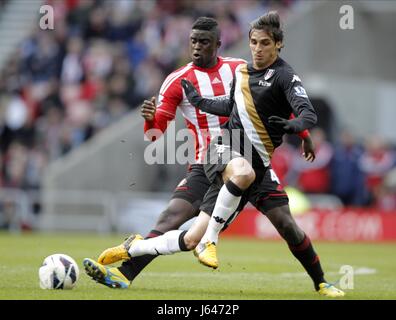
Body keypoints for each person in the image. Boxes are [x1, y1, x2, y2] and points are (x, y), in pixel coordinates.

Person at [83, 15, 315, 291]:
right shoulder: (176, 81)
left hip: (250, 160)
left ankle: (321, 283)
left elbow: (278, 101)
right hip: (208, 162)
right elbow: (155, 133)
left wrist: (303, 134)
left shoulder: (239, 69)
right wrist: (149, 119)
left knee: (286, 224)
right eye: (193, 41)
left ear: (218, 44)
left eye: (204, 41)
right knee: (173, 216)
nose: (197, 46)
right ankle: (124, 274)